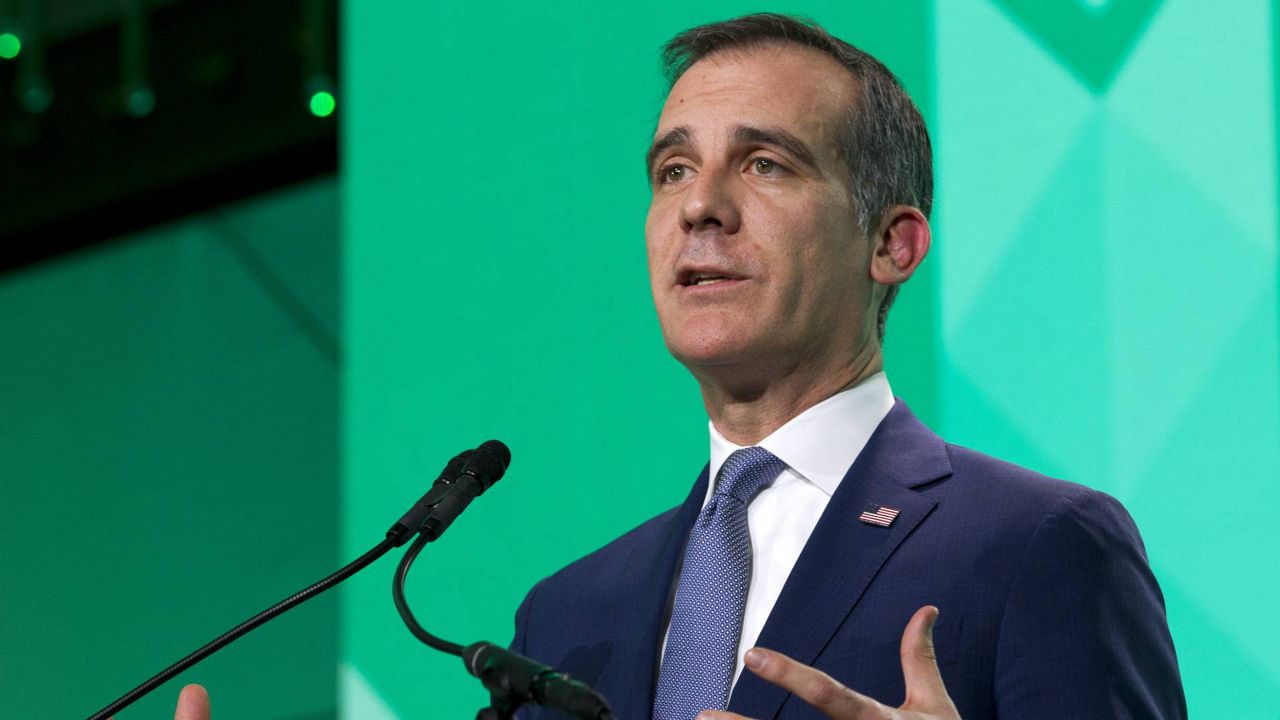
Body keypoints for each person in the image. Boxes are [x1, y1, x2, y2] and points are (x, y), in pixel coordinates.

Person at [170, 12, 1185, 720]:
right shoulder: (566, 615)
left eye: (764, 163)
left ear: (892, 244)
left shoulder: (1037, 548)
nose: (699, 206)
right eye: (671, 170)